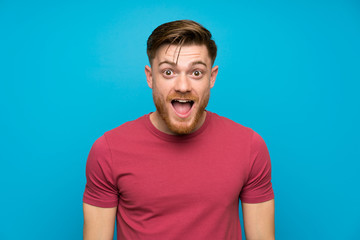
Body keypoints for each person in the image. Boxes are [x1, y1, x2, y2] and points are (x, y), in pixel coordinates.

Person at [83, 20, 275, 240]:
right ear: (150, 77)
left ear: (211, 77)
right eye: (168, 72)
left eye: (196, 73)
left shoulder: (249, 146)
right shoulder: (108, 150)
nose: (183, 86)